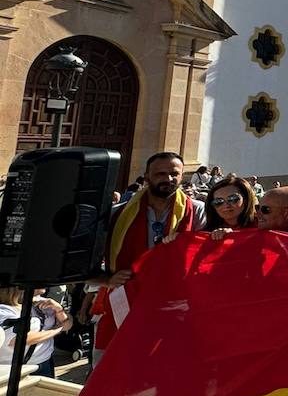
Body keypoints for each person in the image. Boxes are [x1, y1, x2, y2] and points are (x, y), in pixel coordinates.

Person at [91, 152, 206, 357]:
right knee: (115, 371)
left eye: (174, 174)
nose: (168, 179)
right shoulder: (117, 214)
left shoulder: (198, 213)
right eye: (160, 173)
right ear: (146, 177)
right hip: (125, 303)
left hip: (174, 308)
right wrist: (107, 279)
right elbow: (84, 260)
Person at [0, 287, 72, 376]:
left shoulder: (45, 302)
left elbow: (68, 324)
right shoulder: (4, 309)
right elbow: (18, 339)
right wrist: (57, 329)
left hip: (44, 363)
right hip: (13, 368)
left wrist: (59, 310)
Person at [198, 175, 257, 240]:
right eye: (218, 201)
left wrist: (234, 235)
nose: (226, 205)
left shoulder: (262, 225)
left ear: (246, 200)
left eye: (233, 199)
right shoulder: (204, 235)